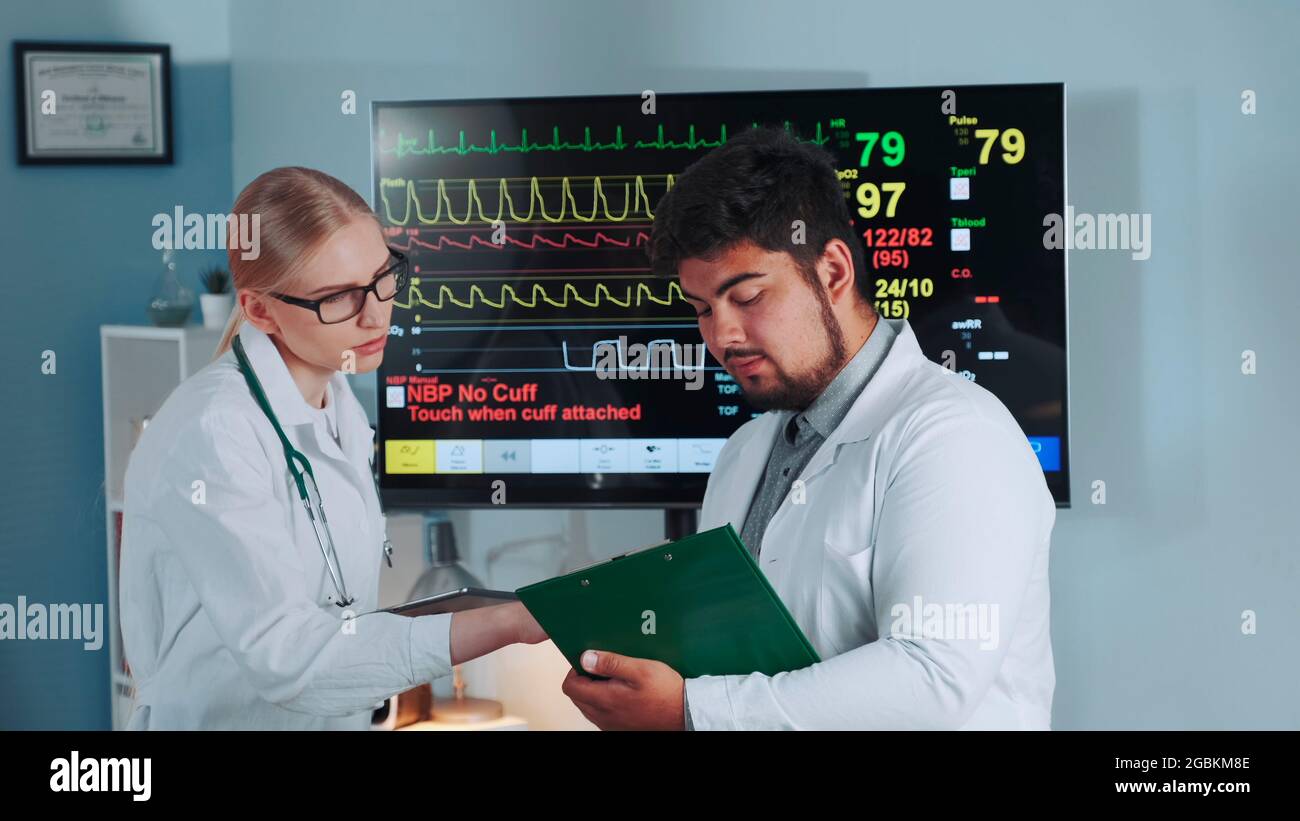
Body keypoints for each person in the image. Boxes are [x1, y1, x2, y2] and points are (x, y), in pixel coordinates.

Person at [561, 127, 1056, 730]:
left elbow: (933, 673)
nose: (722, 336)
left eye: (746, 297)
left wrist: (689, 711)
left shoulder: (955, 436)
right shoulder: (745, 453)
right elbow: (737, 659)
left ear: (833, 271)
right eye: (701, 309)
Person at [120, 167, 544, 729]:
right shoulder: (215, 430)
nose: (376, 314)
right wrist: (509, 622)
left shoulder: (337, 401)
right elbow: (289, 659)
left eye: (381, 278)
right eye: (337, 297)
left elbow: (337, 617)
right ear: (260, 309)